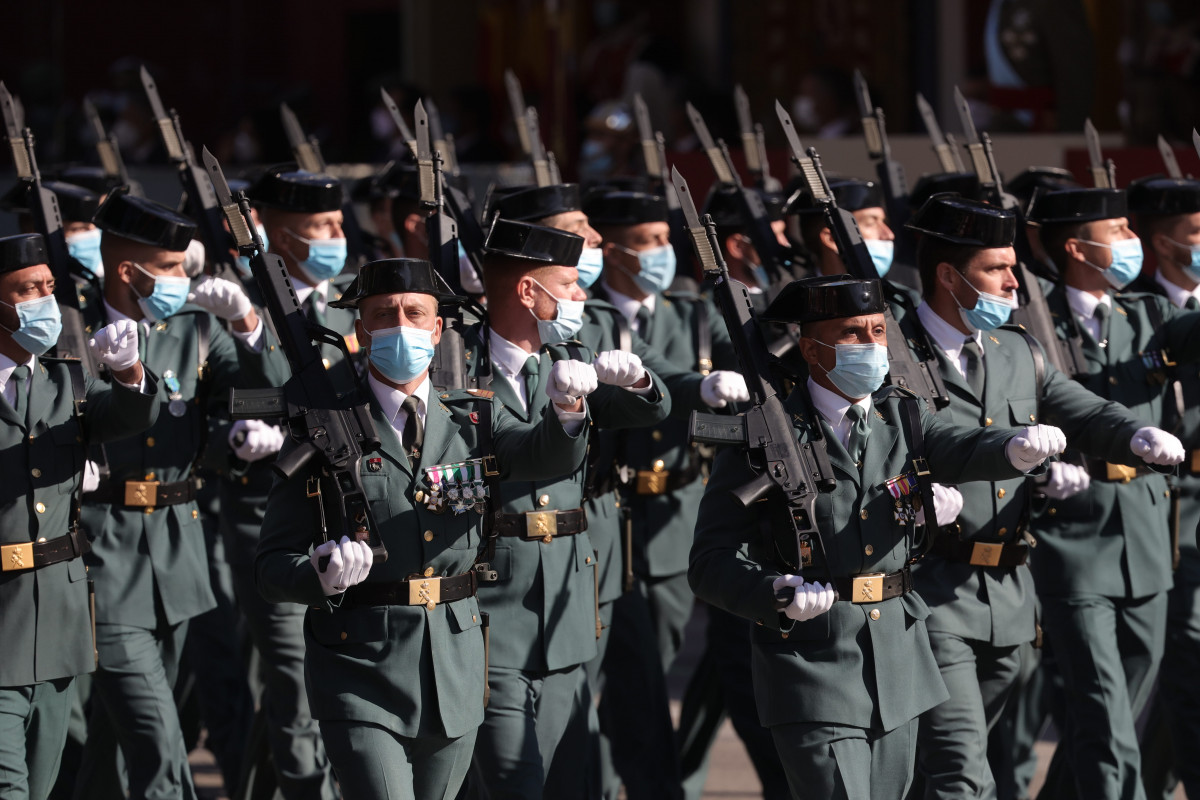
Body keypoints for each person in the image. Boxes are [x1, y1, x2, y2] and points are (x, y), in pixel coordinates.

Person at [690, 274, 1069, 800]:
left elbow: (959, 445)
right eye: (852, 334)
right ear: (811, 348)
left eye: (877, 331)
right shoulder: (764, 437)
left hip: (897, 658)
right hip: (813, 663)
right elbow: (710, 561)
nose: (871, 345)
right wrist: (774, 593)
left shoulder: (902, 415)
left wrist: (1016, 449)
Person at [255, 257, 597, 799]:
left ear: (438, 329)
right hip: (360, 663)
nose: (401, 326)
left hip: (453, 663)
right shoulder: (323, 427)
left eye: (415, 313)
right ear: (361, 329)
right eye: (383, 315)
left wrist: (568, 409)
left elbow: (540, 455)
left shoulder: (473, 417)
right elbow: (272, 566)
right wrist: (319, 576)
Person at [900, 193, 1184, 798]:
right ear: (949, 275)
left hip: (1006, 596)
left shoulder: (1016, 349)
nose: (1012, 280)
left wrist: (1134, 434)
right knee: (960, 772)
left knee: (948, 769)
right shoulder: (894, 355)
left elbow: (1083, 413)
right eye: (996, 268)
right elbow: (920, 440)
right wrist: (1005, 450)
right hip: (929, 587)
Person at [73, 189, 286, 800]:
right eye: (166, 269)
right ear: (126, 271)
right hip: (101, 553)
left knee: (116, 745)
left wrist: (247, 326)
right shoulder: (71, 328)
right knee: (159, 743)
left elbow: (271, 392)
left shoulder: (191, 331)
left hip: (176, 553)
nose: (179, 279)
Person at [460, 217, 671, 799]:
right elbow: (531, 455)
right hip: (490, 602)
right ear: (530, 292)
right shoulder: (456, 366)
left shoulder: (572, 352)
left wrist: (639, 382)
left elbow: (654, 410)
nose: (582, 296)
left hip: (566, 604)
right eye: (569, 284)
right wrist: (569, 411)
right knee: (513, 782)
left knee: (561, 778)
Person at [1026, 186, 1200, 800]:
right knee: (1104, 714)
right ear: (1075, 247)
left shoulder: (1145, 314)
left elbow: (1194, 333)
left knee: (1117, 712)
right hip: (1071, 536)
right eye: (1117, 230)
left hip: (1147, 537)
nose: (1130, 241)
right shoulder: (1029, 321)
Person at [584, 188, 741, 799]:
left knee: (654, 664)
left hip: (674, 515)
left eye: (664, 240)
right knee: (628, 675)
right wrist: (696, 388)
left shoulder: (692, 313)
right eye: (647, 243)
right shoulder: (588, 313)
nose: (661, 254)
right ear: (611, 247)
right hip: (606, 511)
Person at [0, 232, 159, 800]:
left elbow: (125, 417)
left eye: (48, 287)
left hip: (58, 618)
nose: (44, 300)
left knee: (43, 783)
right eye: (27, 290)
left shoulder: (64, 379)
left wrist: (129, 373)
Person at [1125, 176, 1200, 800]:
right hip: (1173, 507)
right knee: (1185, 661)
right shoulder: (1136, 308)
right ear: (1158, 239)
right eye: (1197, 233)